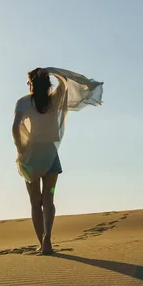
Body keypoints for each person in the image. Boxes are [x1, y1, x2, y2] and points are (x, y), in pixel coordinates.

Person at [12, 67, 103, 255]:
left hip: (32, 155)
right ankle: (48, 239)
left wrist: (21, 149)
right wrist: (52, 71)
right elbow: (66, 81)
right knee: (48, 199)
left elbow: (15, 128)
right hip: (50, 154)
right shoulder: (56, 99)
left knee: (35, 202)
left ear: (31, 84)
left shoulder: (22, 103)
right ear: (48, 83)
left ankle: (42, 242)